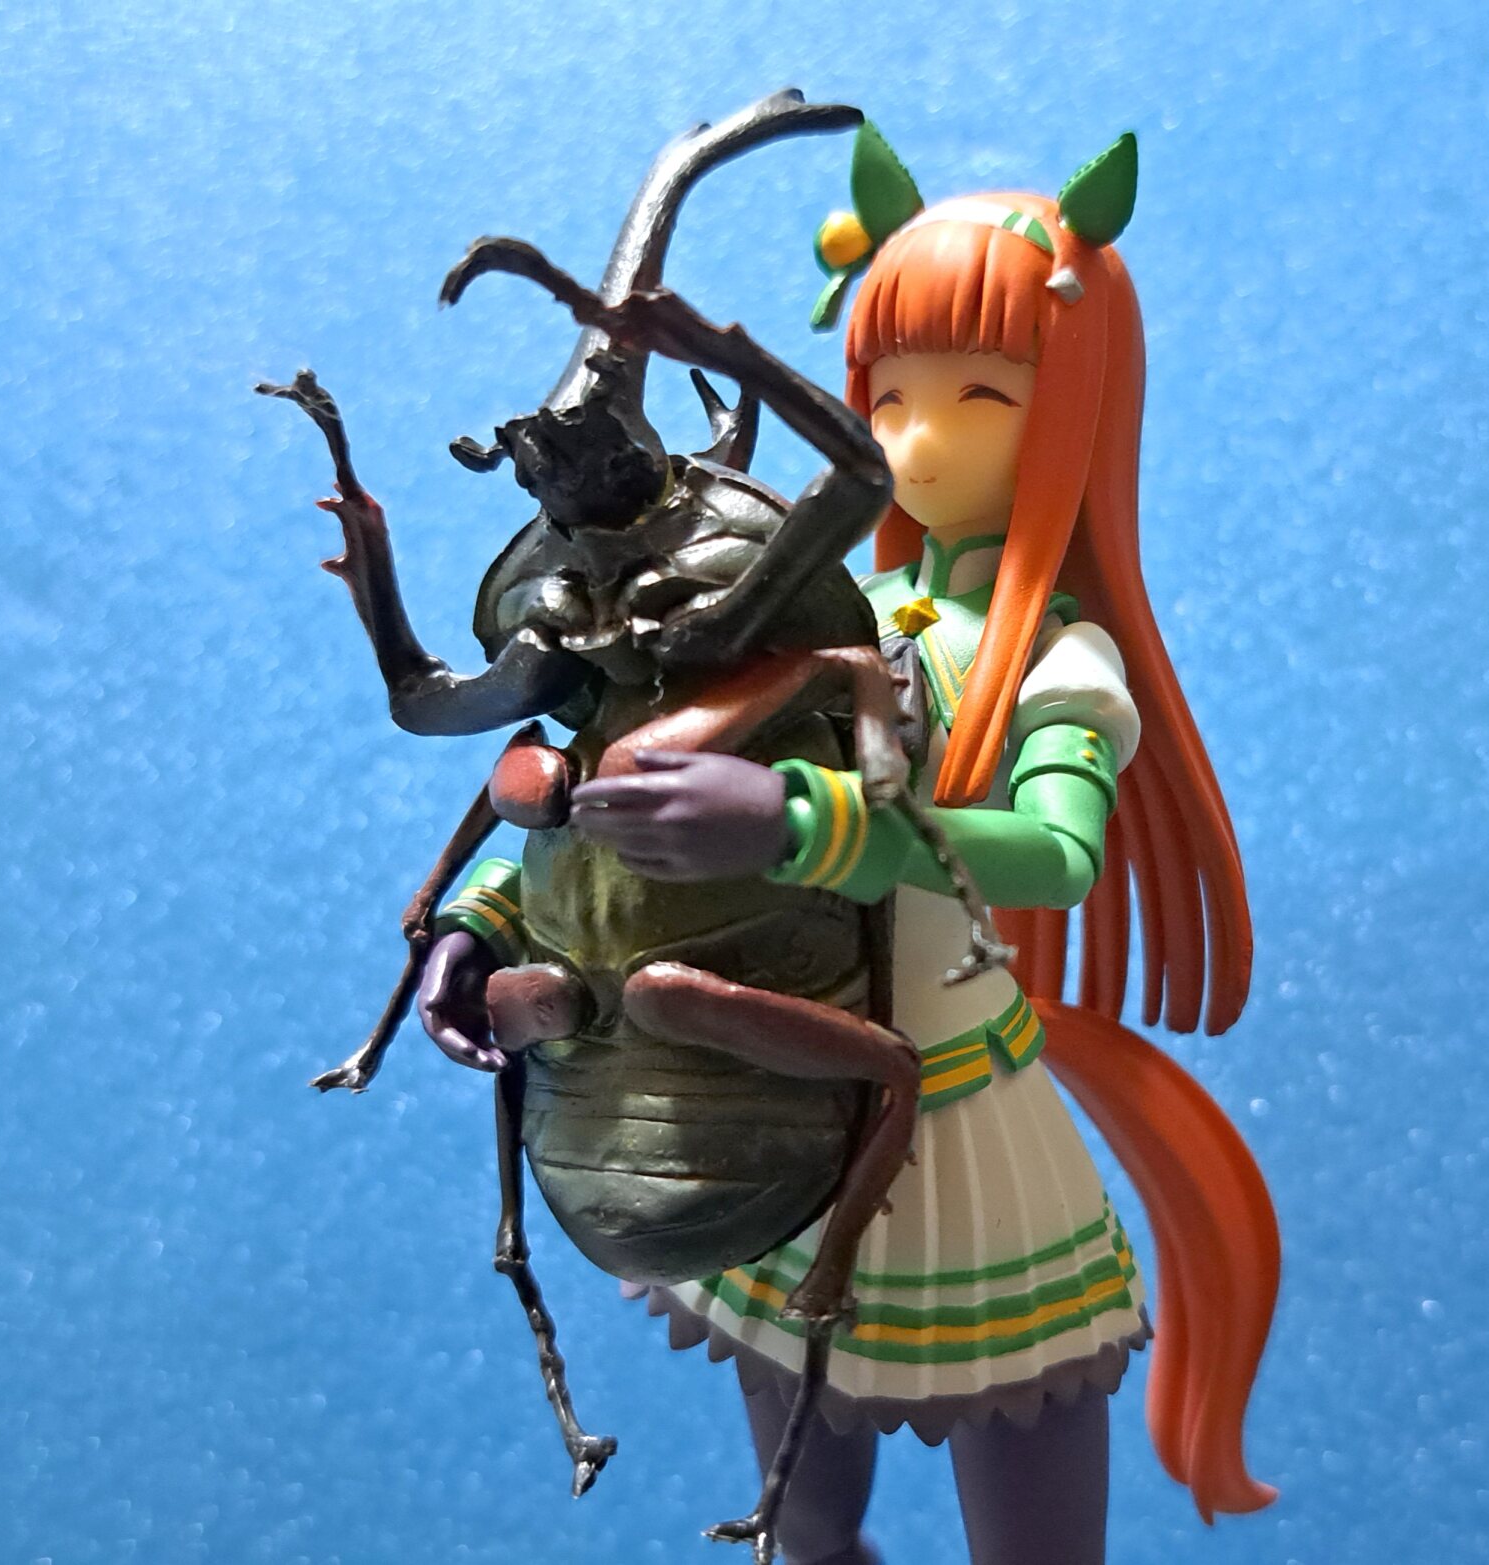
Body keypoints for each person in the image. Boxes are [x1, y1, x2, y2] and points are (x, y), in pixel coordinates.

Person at [545, 127, 1281, 1565]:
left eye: (980, 395)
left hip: (958, 1125)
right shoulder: (835, 612)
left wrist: (808, 822)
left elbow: (1056, 855)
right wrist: (499, 912)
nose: (915, 438)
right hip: (792, 1110)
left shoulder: (1060, 659)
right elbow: (617, 766)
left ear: (1070, 409)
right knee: (806, 1526)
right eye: (889, 394)